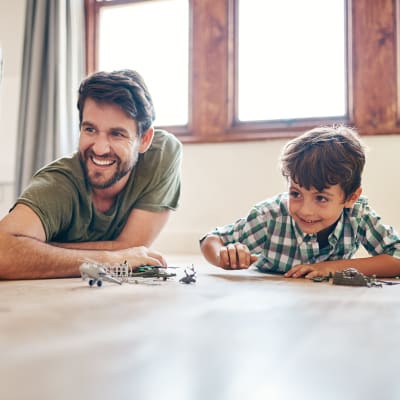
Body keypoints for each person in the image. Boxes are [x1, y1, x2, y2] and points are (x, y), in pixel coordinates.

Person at [0, 69, 182, 280]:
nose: (100, 148)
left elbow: (133, 246)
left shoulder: (161, 155)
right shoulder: (58, 184)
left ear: (144, 140)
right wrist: (108, 259)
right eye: (90, 130)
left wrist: (42, 247)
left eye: (117, 134)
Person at [200, 125, 400, 279]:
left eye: (321, 198)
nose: (305, 210)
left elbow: (397, 256)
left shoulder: (357, 215)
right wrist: (223, 256)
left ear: (350, 198)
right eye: (296, 194)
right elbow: (211, 240)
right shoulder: (270, 216)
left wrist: (330, 268)